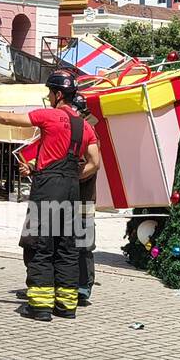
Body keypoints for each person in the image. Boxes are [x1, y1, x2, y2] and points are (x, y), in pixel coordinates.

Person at [0, 71, 100, 322]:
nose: (48, 97)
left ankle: (40, 307)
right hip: (72, 191)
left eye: (50, 93)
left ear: (58, 95)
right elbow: (95, 162)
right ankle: (66, 306)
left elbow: (13, 120)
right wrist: (73, 179)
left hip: (48, 188)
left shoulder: (50, 115)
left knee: (42, 245)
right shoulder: (84, 125)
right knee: (67, 248)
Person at [70, 93, 99, 307]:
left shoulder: (86, 130)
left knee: (83, 244)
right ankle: (76, 285)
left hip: (83, 198)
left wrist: (67, 178)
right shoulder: (81, 127)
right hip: (76, 197)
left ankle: (82, 287)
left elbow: (87, 165)